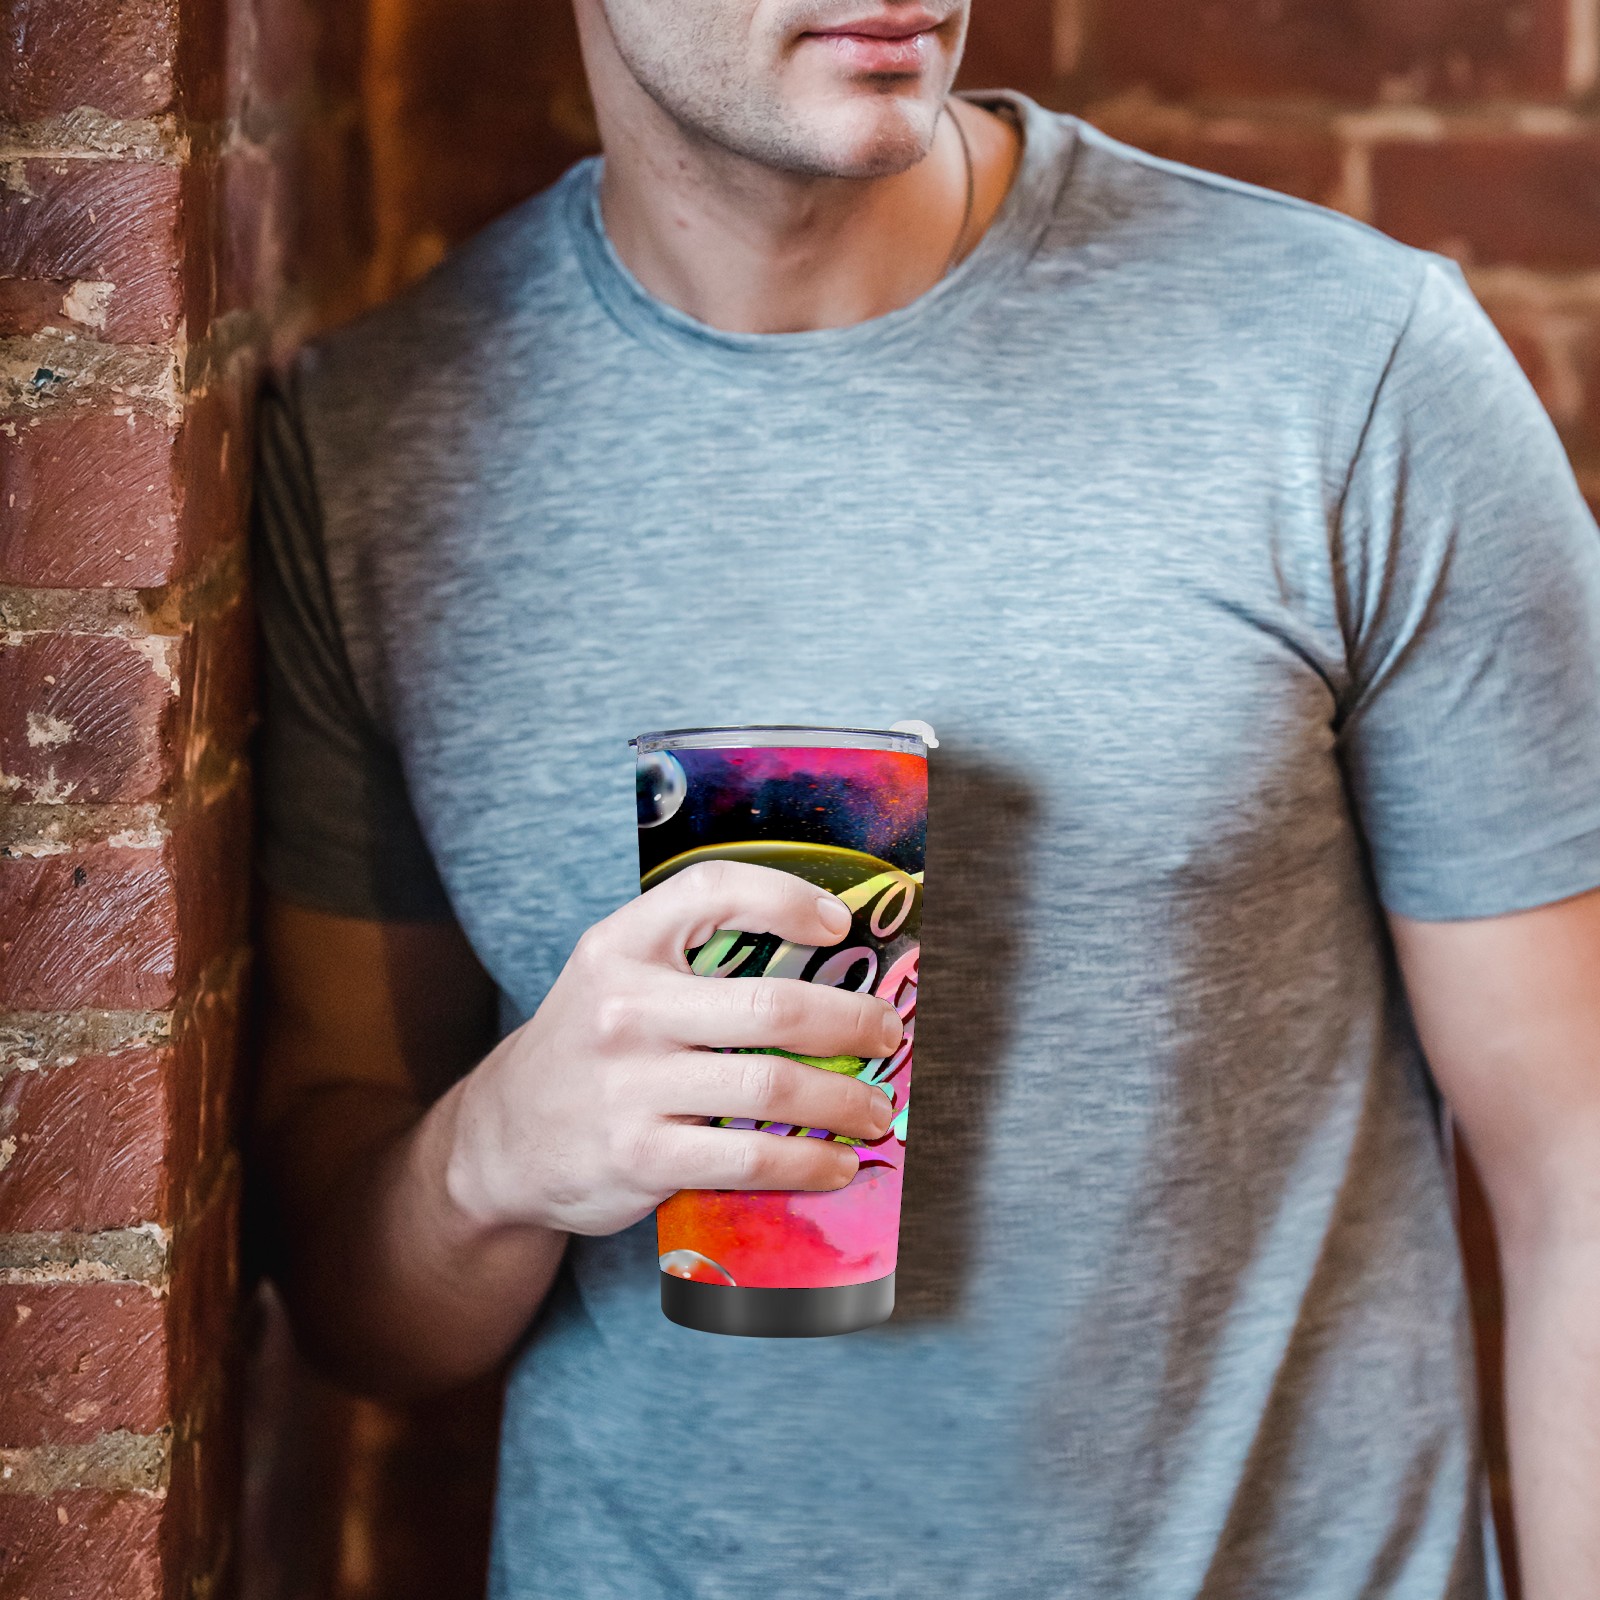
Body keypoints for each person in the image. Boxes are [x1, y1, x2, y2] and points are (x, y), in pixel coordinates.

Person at [247, 1, 1600, 1595]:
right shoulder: (369, 453)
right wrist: (495, 1156)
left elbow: (1578, 1158)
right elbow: (355, 1314)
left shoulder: (1351, 366)